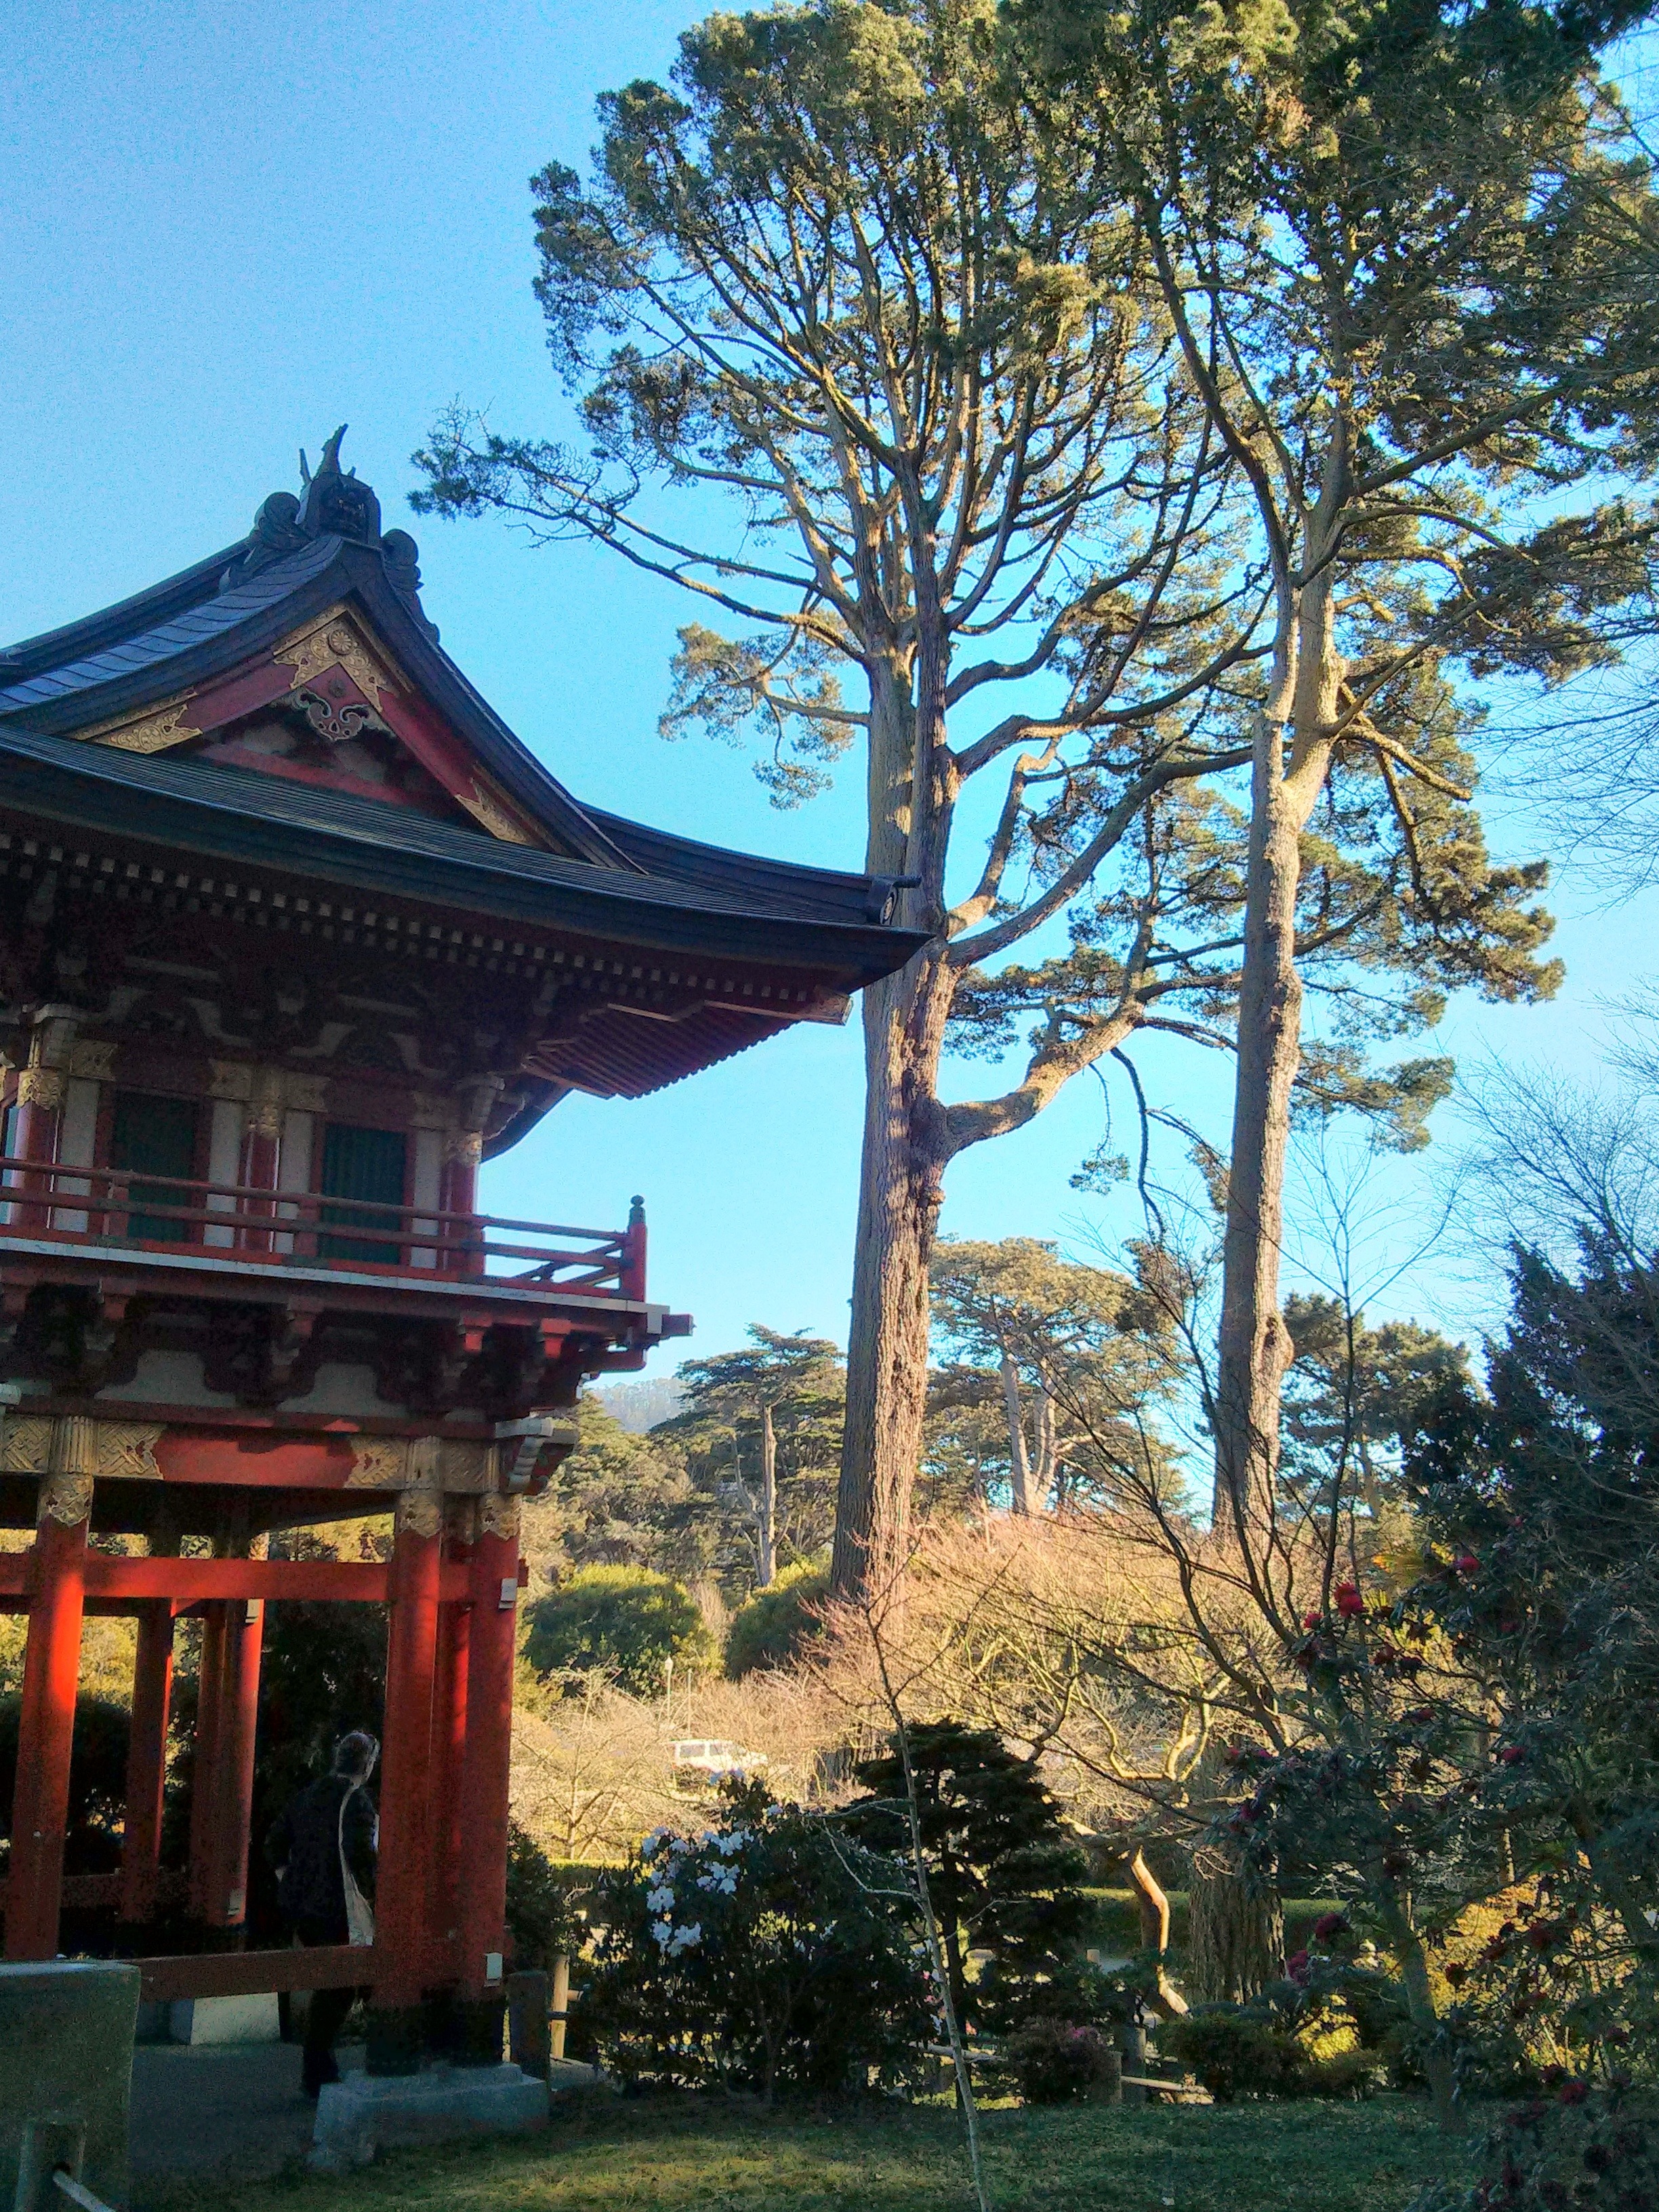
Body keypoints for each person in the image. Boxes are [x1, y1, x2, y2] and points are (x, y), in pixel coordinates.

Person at [264, 1729, 379, 2098]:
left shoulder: (307, 1795)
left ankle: (318, 2071)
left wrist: (292, 1880)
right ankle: (319, 2073)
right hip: (341, 1908)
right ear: (369, 1764)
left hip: (304, 1909)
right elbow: (362, 1856)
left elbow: (274, 1843)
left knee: (327, 1990)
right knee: (341, 1989)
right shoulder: (357, 1801)